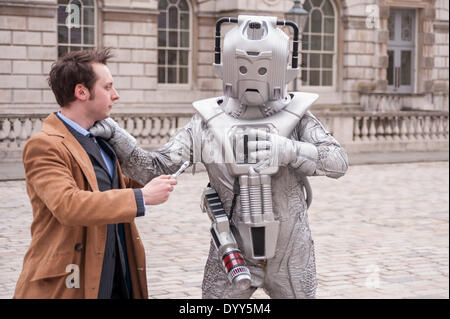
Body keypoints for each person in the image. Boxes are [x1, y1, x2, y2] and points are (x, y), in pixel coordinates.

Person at [91, 15, 348, 298]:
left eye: (263, 68)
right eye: (243, 66)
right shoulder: (206, 121)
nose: (252, 76)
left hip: (290, 253)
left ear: (281, 68)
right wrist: (117, 137)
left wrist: (290, 150)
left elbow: (337, 162)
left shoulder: (298, 117)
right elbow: (156, 167)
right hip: (231, 250)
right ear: (225, 66)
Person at [14, 48, 177, 299]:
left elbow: (121, 182)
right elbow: (68, 205)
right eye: (108, 87)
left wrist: (163, 167)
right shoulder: (45, 145)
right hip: (71, 279)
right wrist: (141, 197)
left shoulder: (102, 138)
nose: (116, 95)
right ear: (82, 92)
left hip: (117, 273)